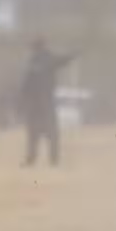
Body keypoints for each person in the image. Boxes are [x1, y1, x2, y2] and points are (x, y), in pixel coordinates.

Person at [20, 38, 73, 167]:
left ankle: (31, 159)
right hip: (47, 101)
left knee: (33, 134)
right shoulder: (48, 59)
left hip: (35, 103)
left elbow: (26, 84)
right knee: (52, 133)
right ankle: (53, 160)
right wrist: (74, 54)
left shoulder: (32, 61)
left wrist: (23, 100)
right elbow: (63, 60)